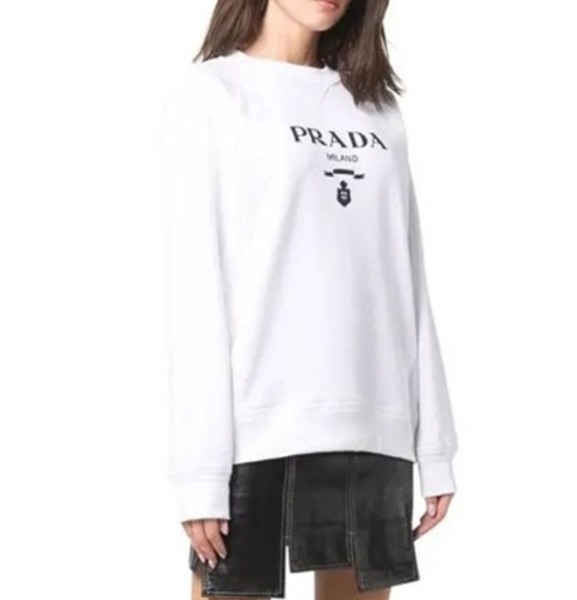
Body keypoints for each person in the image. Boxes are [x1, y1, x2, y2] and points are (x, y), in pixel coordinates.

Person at [158, 1, 459, 598]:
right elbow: (196, 288)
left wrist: (435, 445)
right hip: (258, 427)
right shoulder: (213, 94)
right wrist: (200, 472)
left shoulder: (376, 106)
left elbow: (406, 276)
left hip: (373, 423)